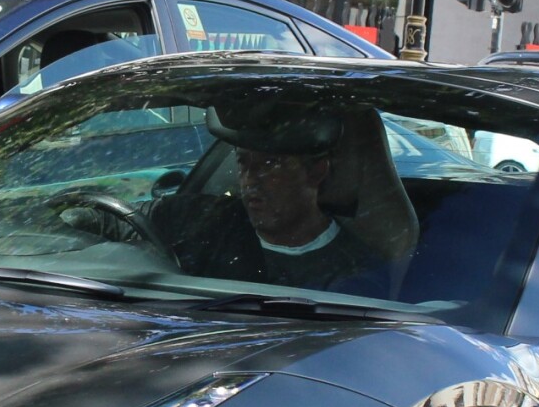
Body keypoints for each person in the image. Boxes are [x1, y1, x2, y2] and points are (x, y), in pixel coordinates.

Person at [160, 102, 387, 293]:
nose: (249, 180)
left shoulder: (352, 272)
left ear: (316, 172)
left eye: (269, 164)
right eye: (242, 163)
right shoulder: (207, 218)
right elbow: (131, 220)